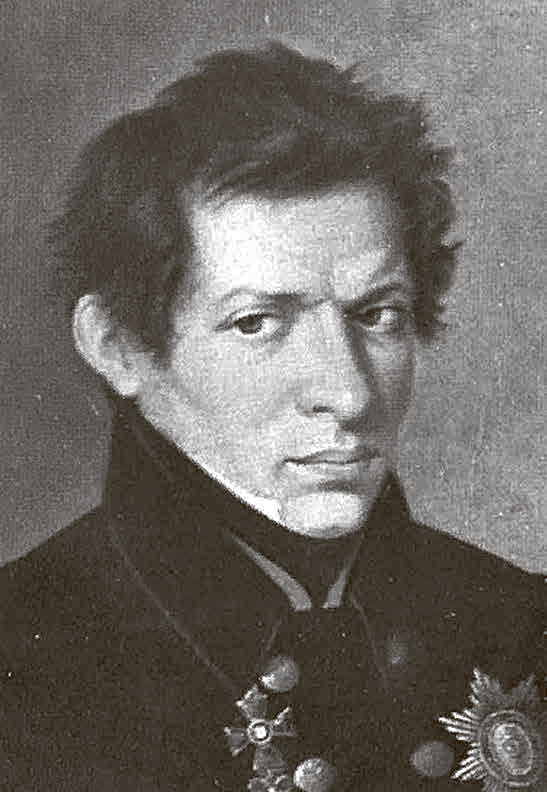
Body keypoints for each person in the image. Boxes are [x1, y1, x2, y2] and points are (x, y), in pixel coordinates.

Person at [0, 43, 544, 792]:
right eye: (257, 323)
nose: (349, 394)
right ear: (119, 346)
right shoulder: (22, 659)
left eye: (377, 314)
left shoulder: (522, 625)